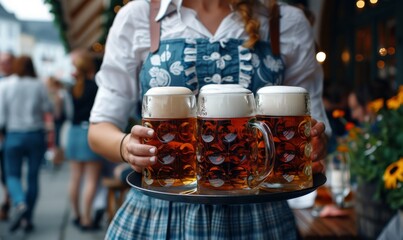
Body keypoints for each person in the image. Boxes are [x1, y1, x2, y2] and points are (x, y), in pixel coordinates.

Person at [88, 0, 330, 239]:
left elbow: (316, 129)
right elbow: (98, 129)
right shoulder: (137, 16)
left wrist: (315, 144)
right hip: (160, 215)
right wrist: (126, 147)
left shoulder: (287, 22)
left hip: (259, 215)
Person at [0, 56, 54, 232]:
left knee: (12, 174)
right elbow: (48, 107)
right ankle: (27, 219)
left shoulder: (6, 84)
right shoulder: (38, 84)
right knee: (33, 177)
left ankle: (19, 202)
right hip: (35, 134)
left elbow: (1, 115)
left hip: (13, 134)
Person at [65, 49, 104, 231]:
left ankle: (76, 214)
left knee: (75, 178)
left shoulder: (72, 86)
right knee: (91, 179)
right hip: (89, 131)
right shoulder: (96, 86)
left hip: (73, 132)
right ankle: (87, 219)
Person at [0, 52, 15, 221]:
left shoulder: (15, 81)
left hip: (9, 133)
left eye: (8, 62)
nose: (4, 64)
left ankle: (7, 202)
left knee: (7, 172)